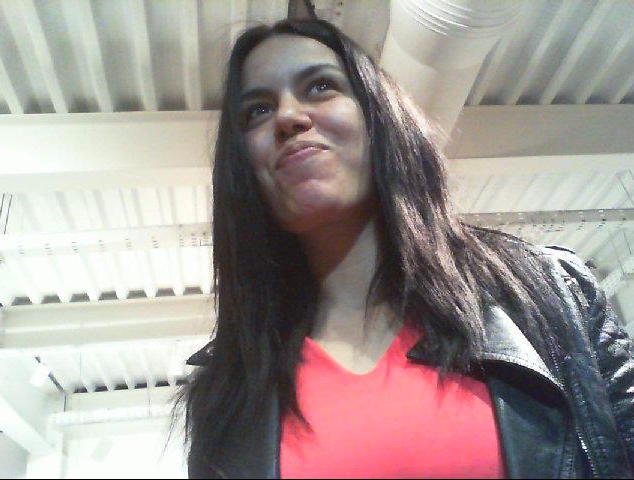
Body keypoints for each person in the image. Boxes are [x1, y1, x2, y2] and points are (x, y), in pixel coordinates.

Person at [175, 18, 634, 479]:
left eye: (320, 86)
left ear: (378, 116)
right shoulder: (225, 399)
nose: (288, 117)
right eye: (257, 110)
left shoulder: (550, 294)